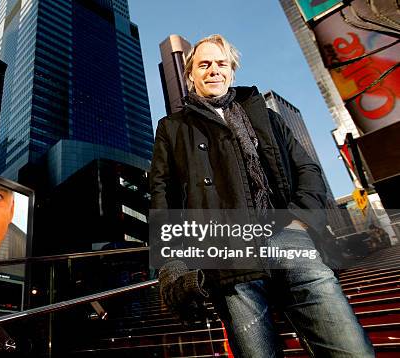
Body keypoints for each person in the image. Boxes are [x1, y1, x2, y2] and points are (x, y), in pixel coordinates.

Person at [151, 34, 374, 357]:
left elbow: (308, 171)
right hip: (228, 253)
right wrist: (171, 261)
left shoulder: (265, 117)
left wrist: (300, 222)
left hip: (289, 240)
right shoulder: (172, 128)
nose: (214, 70)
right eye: (204, 64)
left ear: (232, 72)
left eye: (221, 64)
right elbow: (163, 194)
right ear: (190, 75)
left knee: (350, 349)